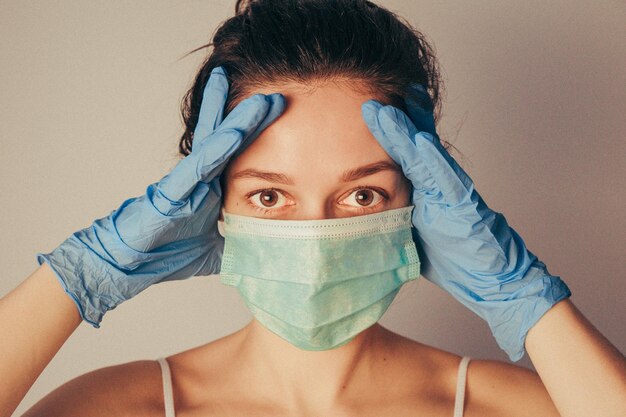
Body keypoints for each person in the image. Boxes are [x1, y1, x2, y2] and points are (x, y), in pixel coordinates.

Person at [1, 0, 625, 416]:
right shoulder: (118, 407)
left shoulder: (510, 407)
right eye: (269, 196)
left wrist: (524, 298)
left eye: (362, 195)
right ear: (211, 205)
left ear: (423, 201)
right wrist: (79, 275)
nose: (318, 238)